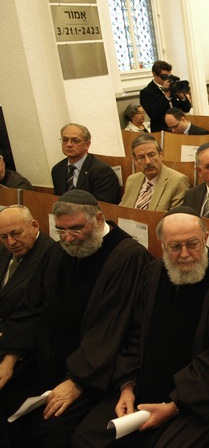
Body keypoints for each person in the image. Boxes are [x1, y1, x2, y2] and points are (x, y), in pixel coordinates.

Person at [72, 209, 209, 447]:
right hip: (143, 386)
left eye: (193, 244)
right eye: (174, 246)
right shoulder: (153, 273)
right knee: (86, 438)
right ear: (161, 244)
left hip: (195, 402)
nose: (185, 254)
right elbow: (134, 335)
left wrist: (174, 406)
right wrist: (127, 387)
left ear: (206, 238)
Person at [0, 191, 151, 447]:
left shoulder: (127, 256)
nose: (68, 238)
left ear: (99, 219)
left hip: (91, 373)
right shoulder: (61, 250)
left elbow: (111, 329)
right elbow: (32, 307)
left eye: (76, 229)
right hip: (44, 362)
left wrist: (77, 382)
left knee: (50, 428)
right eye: (61, 230)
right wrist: (10, 358)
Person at [0, 205, 58, 320]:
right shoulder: (3, 250)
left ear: (34, 226)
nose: (10, 242)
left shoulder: (51, 256)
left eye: (16, 233)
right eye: (4, 237)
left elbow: (41, 313)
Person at [51, 123, 121, 204]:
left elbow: (102, 206)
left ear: (87, 144)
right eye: (65, 140)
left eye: (75, 140)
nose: (69, 144)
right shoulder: (57, 169)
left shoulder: (102, 171)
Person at [119, 134, 190, 211]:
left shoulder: (178, 181)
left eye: (151, 155)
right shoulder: (132, 180)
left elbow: (174, 219)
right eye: (141, 157)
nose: (147, 162)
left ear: (161, 155)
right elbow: (121, 212)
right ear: (135, 161)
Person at [140, 60, 191, 133]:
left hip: (178, 128)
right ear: (154, 74)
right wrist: (166, 95)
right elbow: (153, 113)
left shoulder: (173, 86)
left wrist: (182, 97)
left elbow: (186, 108)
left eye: (169, 76)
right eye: (164, 76)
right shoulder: (146, 92)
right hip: (161, 130)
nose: (167, 79)